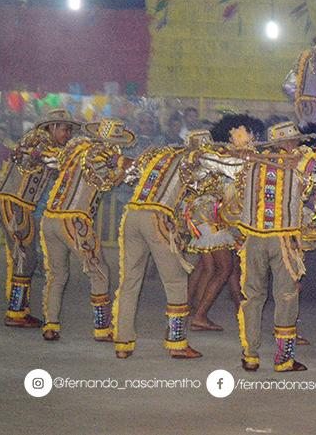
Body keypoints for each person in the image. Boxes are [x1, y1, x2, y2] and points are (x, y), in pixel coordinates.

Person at [202, 121, 316, 373]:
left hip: (255, 238)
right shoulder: (298, 162)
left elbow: (212, 162)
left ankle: (250, 355)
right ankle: (283, 359)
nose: (298, 145)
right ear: (287, 143)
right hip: (282, 239)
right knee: (285, 297)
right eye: (295, 141)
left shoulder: (251, 163)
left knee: (253, 298)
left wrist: (240, 154)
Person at [113, 131, 221, 360]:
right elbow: (206, 188)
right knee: (176, 281)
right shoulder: (194, 160)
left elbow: (130, 175)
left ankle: (123, 343)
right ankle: (176, 343)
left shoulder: (159, 156)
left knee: (130, 281)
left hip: (132, 215)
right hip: (157, 219)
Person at [39, 118, 134, 342]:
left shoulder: (76, 147)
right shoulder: (100, 153)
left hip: (50, 217)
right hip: (74, 220)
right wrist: (121, 169)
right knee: (99, 270)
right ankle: (102, 329)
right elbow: (104, 181)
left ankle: (50, 325)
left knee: (56, 274)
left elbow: (55, 161)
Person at [0, 110, 79, 327]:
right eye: (65, 129)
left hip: (19, 204)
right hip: (14, 202)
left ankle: (18, 309)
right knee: (24, 256)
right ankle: (16, 312)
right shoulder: (38, 138)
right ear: (53, 126)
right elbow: (32, 153)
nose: (68, 134)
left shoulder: (50, 146)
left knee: (23, 256)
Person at [188, 115, 264, 331]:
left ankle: (188, 309)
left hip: (204, 215)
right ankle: (199, 314)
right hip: (211, 216)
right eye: (247, 133)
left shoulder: (223, 156)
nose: (251, 138)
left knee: (208, 267)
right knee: (225, 268)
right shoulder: (226, 159)